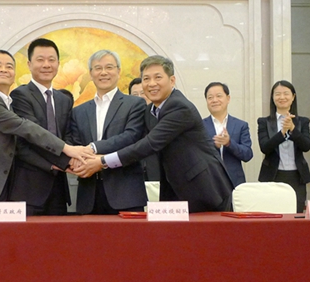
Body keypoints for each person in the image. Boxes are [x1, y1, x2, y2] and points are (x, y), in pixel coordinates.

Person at [73, 55, 233, 212]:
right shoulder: (151, 110)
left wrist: (102, 161)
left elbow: (148, 144)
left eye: (158, 77)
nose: (151, 84)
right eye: (146, 79)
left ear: (172, 80)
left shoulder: (179, 107)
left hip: (205, 188)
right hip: (176, 188)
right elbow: (134, 139)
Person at [0, 50, 87, 215]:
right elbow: (25, 127)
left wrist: (60, 163)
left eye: (9, 66)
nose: (4, 69)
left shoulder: (7, 102)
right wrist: (67, 149)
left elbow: (17, 146)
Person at [68, 50, 148, 214]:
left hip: (125, 194)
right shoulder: (78, 111)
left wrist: (94, 149)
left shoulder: (135, 104)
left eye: (109, 67)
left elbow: (131, 137)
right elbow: (76, 145)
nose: (103, 72)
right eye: (98, 68)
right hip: (89, 195)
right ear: (91, 73)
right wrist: (82, 160)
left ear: (118, 71)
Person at [8, 38, 74, 215]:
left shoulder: (64, 99)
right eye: (40, 59)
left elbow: (68, 135)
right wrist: (62, 162)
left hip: (59, 189)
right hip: (29, 188)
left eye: (51, 60)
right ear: (29, 64)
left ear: (58, 64)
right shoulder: (20, 95)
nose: (46, 65)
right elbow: (29, 139)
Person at [257, 80, 310, 213]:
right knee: (273, 214)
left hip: (297, 176)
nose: (282, 97)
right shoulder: (264, 122)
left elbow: (306, 146)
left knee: (296, 213)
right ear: (273, 97)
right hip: (273, 175)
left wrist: (292, 129)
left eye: (286, 93)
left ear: (293, 97)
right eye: (277, 94)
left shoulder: (303, 121)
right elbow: (265, 148)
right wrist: (282, 133)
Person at [202, 81, 253, 189]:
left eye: (219, 96)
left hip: (235, 182)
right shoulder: (199, 126)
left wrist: (229, 143)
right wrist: (214, 146)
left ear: (228, 98)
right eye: (210, 97)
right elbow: (196, 154)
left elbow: (247, 155)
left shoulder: (241, 125)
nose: (214, 100)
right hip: (208, 182)